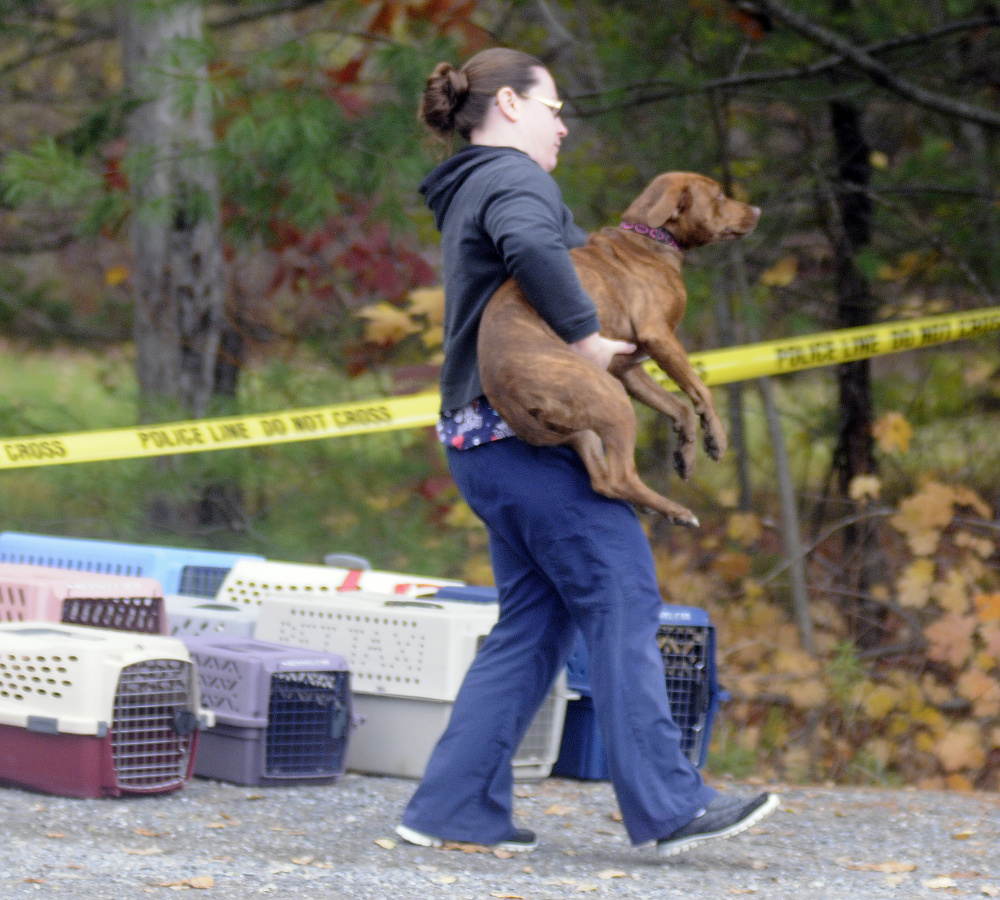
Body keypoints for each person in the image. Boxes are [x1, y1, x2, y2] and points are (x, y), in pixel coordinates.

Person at [395, 46, 779, 858]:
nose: (563, 122)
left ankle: (452, 808)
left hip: (481, 442)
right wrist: (587, 340)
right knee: (622, 598)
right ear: (506, 106)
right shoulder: (513, 182)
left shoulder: (471, 186)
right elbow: (535, 251)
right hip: (533, 442)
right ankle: (670, 805)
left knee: (533, 627)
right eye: (552, 106)